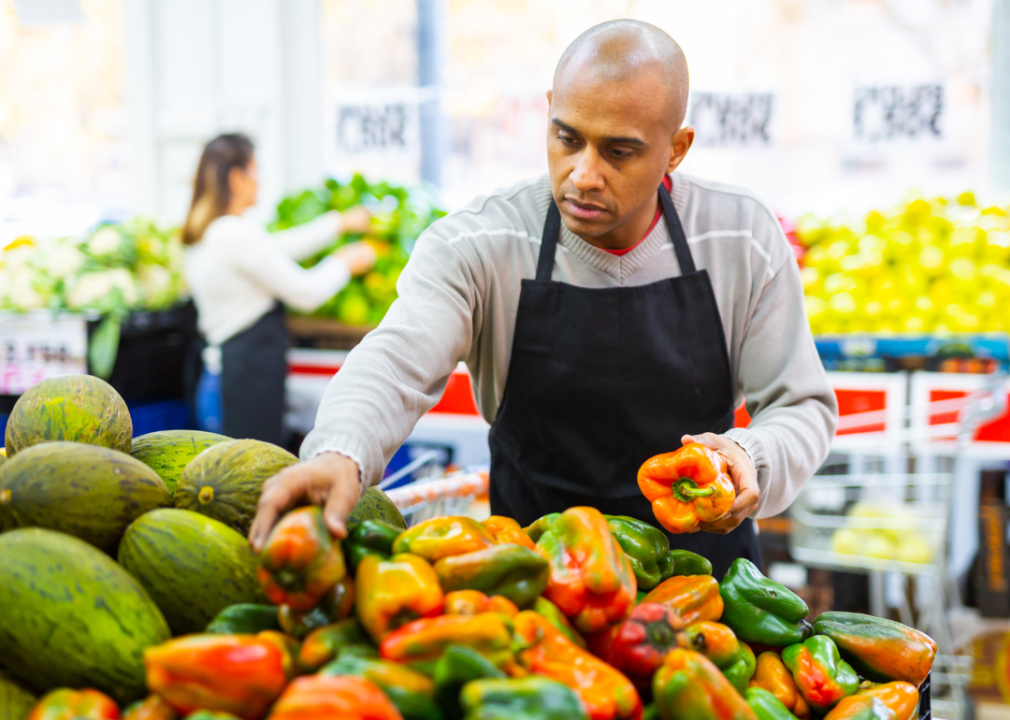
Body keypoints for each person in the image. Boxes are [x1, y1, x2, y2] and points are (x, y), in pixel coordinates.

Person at [248, 22, 838, 578]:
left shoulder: (740, 236)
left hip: (707, 588)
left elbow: (802, 405)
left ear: (676, 148)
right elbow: (395, 360)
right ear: (550, 109)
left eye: (619, 152)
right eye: (567, 138)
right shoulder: (480, 244)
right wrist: (339, 452)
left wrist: (749, 453)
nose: (583, 174)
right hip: (535, 583)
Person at [182, 133, 376, 445]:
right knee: (248, 484)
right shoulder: (232, 234)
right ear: (237, 177)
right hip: (240, 386)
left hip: (228, 379)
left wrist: (338, 224)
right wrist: (344, 264)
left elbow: (275, 249)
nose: (260, 181)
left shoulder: (215, 231)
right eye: (256, 170)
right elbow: (306, 293)